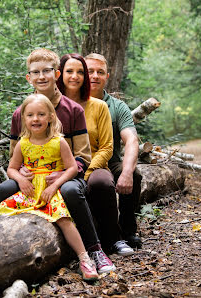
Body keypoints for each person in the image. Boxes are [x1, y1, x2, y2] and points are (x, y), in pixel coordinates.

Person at [0, 48, 116, 273]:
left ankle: (94, 250)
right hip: (32, 176)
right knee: (4, 188)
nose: (42, 76)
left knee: (71, 192)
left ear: (56, 74)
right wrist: (22, 173)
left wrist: (60, 176)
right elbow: (15, 156)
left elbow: (83, 156)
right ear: (29, 78)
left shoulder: (72, 109)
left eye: (47, 71)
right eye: (36, 73)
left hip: (67, 175)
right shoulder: (21, 113)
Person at [0, 94, 99, 281]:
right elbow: (11, 168)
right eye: (30, 115)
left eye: (41, 114)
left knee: (63, 220)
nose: (36, 119)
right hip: (30, 191)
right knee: (3, 210)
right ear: (23, 119)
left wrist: (56, 185)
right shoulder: (22, 144)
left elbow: (72, 168)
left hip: (50, 190)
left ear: (51, 116)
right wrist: (21, 180)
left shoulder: (58, 142)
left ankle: (85, 258)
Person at [57, 53, 134, 256]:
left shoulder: (99, 106)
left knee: (101, 182)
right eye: (70, 72)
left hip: (94, 165)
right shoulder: (50, 106)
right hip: (59, 168)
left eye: (80, 72)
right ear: (60, 74)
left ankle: (114, 239)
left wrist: (86, 171)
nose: (76, 76)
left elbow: (107, 148)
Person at [85, 53, 142, 248]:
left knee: (134, 174)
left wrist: (126, 172)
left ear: (107, 76)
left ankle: (127, 230)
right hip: (79, 162)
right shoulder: (72, 102)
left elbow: (131, 139)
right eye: (90, 71)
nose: (94, 76)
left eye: (100, 72)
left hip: (109, 162)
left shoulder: (117, 107)